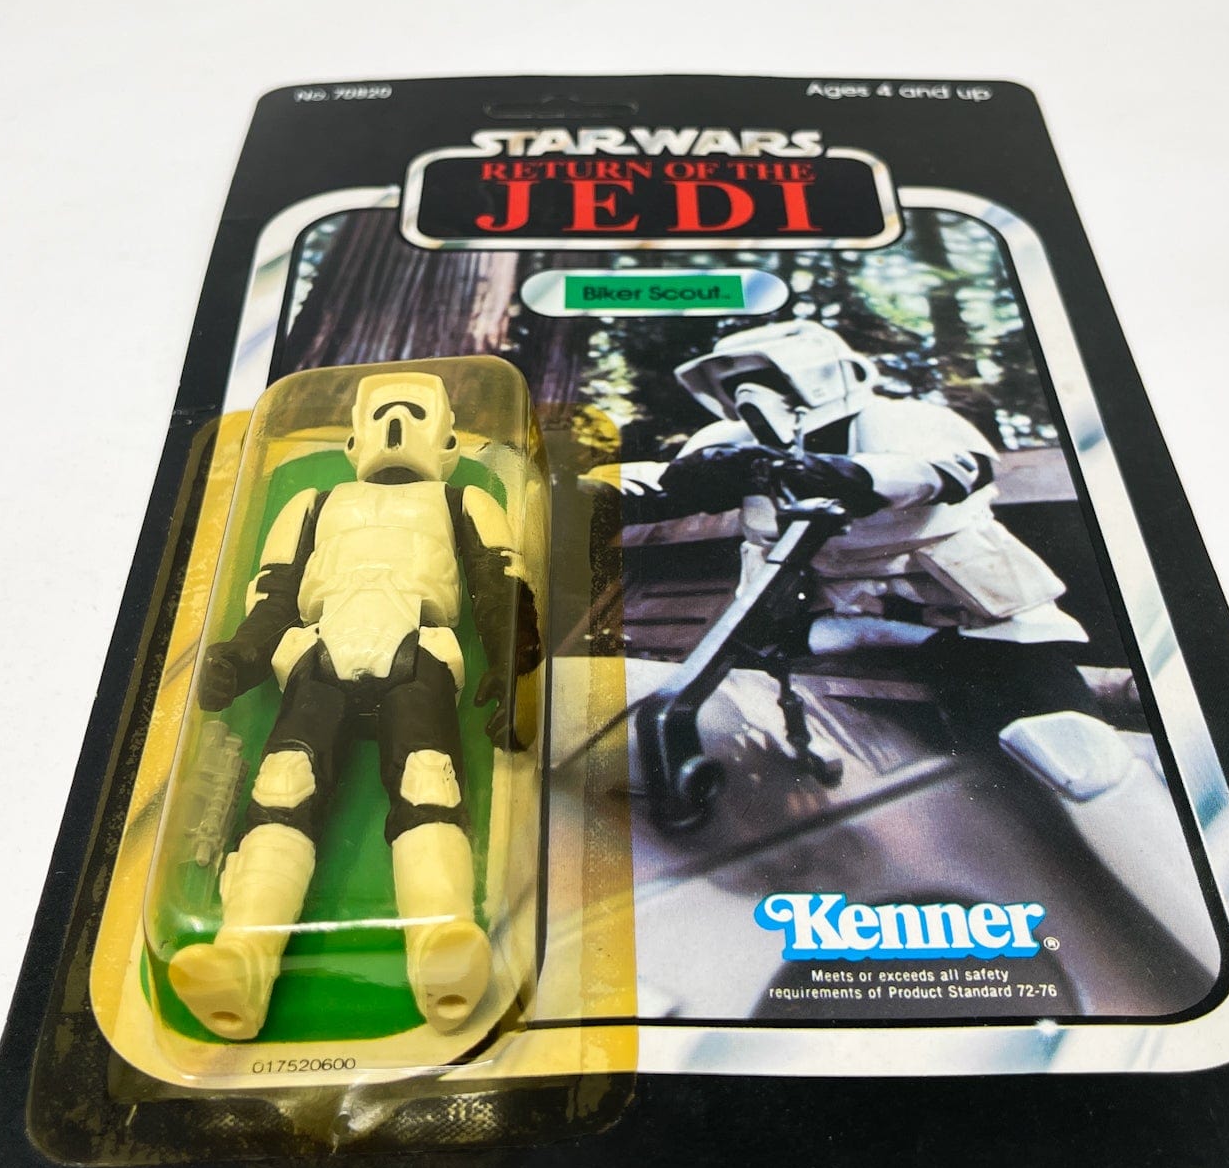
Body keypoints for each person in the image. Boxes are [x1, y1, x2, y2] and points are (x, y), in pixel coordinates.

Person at [170, 368, 542, 1040]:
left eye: (414, 416)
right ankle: (242, 960)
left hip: (418, 651)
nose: (396, 428)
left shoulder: (462, 500)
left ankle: (443, 944)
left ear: (448, 442)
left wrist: (515, 662)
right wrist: (240, 658)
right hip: (319, 650)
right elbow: (273, 595)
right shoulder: (311, 504)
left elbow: (500, 579)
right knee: (282, 788)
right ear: (353, 441)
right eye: (382, 416)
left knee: (428, 781)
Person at [612, 319, 1100, 758]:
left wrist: (821, 472)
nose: (751, 397)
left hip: (981, 625)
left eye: (764, 379)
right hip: (840, 626)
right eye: (735, 386)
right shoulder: (737, 445)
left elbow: (946, 472)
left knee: (1064, 754)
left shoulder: (905, 423)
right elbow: (658, 488)